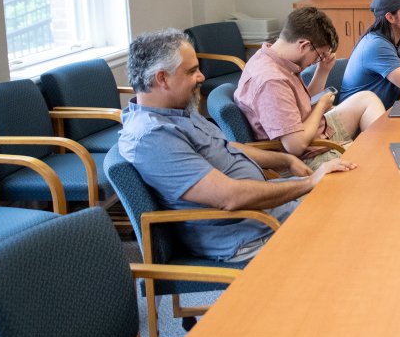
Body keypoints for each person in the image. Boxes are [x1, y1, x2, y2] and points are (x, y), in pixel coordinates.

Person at [119, 28, 353, 262]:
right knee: (353, 231)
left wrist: (286, 159)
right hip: (254, 234)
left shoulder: (175, 112)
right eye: (191, 71)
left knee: (351, 202)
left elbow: (227, 147)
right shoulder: (153, 137)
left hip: (267, 213)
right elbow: (230, 197)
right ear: (162, 78)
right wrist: (310, 182)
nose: (201, 77)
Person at [235, 7, 384, 169]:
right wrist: (321, 106)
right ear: (304, 46)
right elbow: (296, 146)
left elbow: (303, 103)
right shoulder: (271, 81)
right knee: (372, 160)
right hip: (307, 155)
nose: (316, 61)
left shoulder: (272, 56)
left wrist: (323, 70)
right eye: (318, 55)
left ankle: (382, 150)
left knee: (366, 98)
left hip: (314, 129)